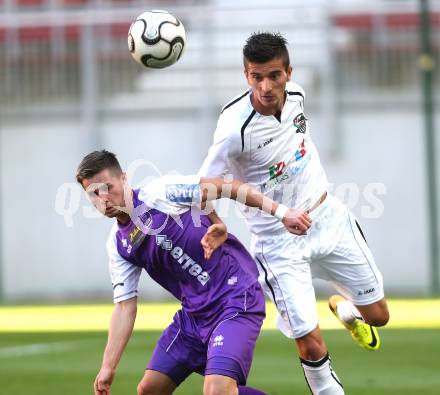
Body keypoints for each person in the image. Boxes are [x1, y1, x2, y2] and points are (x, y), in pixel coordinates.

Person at [198, 32, 390, 395]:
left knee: (379, 316)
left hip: (328, 218)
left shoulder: (299, 95)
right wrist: (217, 222)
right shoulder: (232, 129)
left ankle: (346, 309)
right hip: (278, 243)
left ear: (289, 72)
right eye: (257, 77)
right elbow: (205, 185)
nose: (266, 86)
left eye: (274, 75)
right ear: (246, 75)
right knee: (309, 342)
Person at [76, 150, 312, 395]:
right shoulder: (117, 244)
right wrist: (108, 366)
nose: (103, 199)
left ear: (124, 178)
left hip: (235, 296)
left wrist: (282, 213)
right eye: (93, 193)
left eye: (107, 187)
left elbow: (226, 187)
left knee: (217, 391)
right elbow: (125, 307)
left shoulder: (160, 193)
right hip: (194, 315)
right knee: (149, 390)